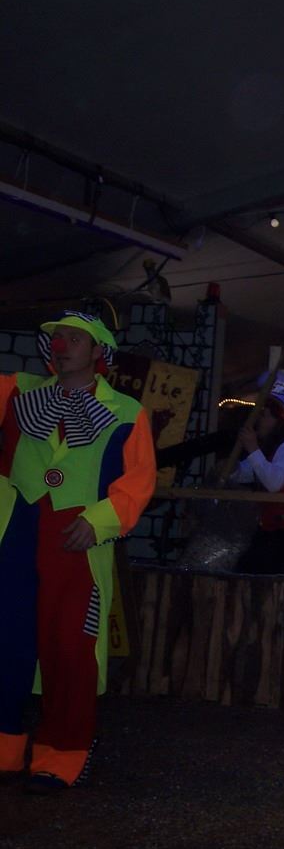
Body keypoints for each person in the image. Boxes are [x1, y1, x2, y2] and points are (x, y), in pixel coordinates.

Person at [0, 311, 156, 792]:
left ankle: (63, 755)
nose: (62, 345)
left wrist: (99, 521)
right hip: (15, 533)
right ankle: (4, 748)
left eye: (74, 338)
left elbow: (139, 481)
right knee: (6, 639)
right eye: (57, 337)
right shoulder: (16, 391)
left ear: (97, 352)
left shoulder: (127, 412)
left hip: (76, 543)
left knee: (71, 648)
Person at [230, 373, 284, 576]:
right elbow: (249, 472)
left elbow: (273, 482)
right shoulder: (271, 447)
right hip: (269, 531)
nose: (260, 420)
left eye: (265, 415)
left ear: (279, 421)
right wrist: (232, 469)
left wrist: (252, 448)